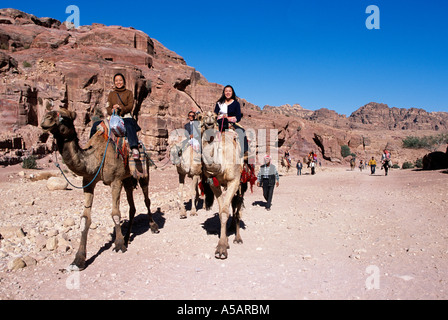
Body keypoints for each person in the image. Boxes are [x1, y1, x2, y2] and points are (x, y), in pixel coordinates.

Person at [90, 73, 141, 159]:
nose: (118, 82)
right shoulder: (111, 94)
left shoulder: (129, 93)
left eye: (120, 80)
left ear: (124, 82)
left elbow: (130, 106)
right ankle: (90, 146)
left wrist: (120, 108)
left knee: (129, 125)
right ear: (114, 82)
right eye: (116, 81)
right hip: (113, 118)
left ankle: (134, 147)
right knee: (96, 125)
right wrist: (112, 110)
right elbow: (108, 107)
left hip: (125, 117)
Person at [214, 85, 249, 161]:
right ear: (224, 92)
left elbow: (238, 117)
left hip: (231, 123)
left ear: (232, 92)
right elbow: (215, 114)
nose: (228, 93)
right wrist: (220, 117)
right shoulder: (219, 103)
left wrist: (229, 118)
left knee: (241, 131)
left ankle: (245, 152)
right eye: (226, 91)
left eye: (229, 91)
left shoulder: (236, 104)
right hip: (219, 123)